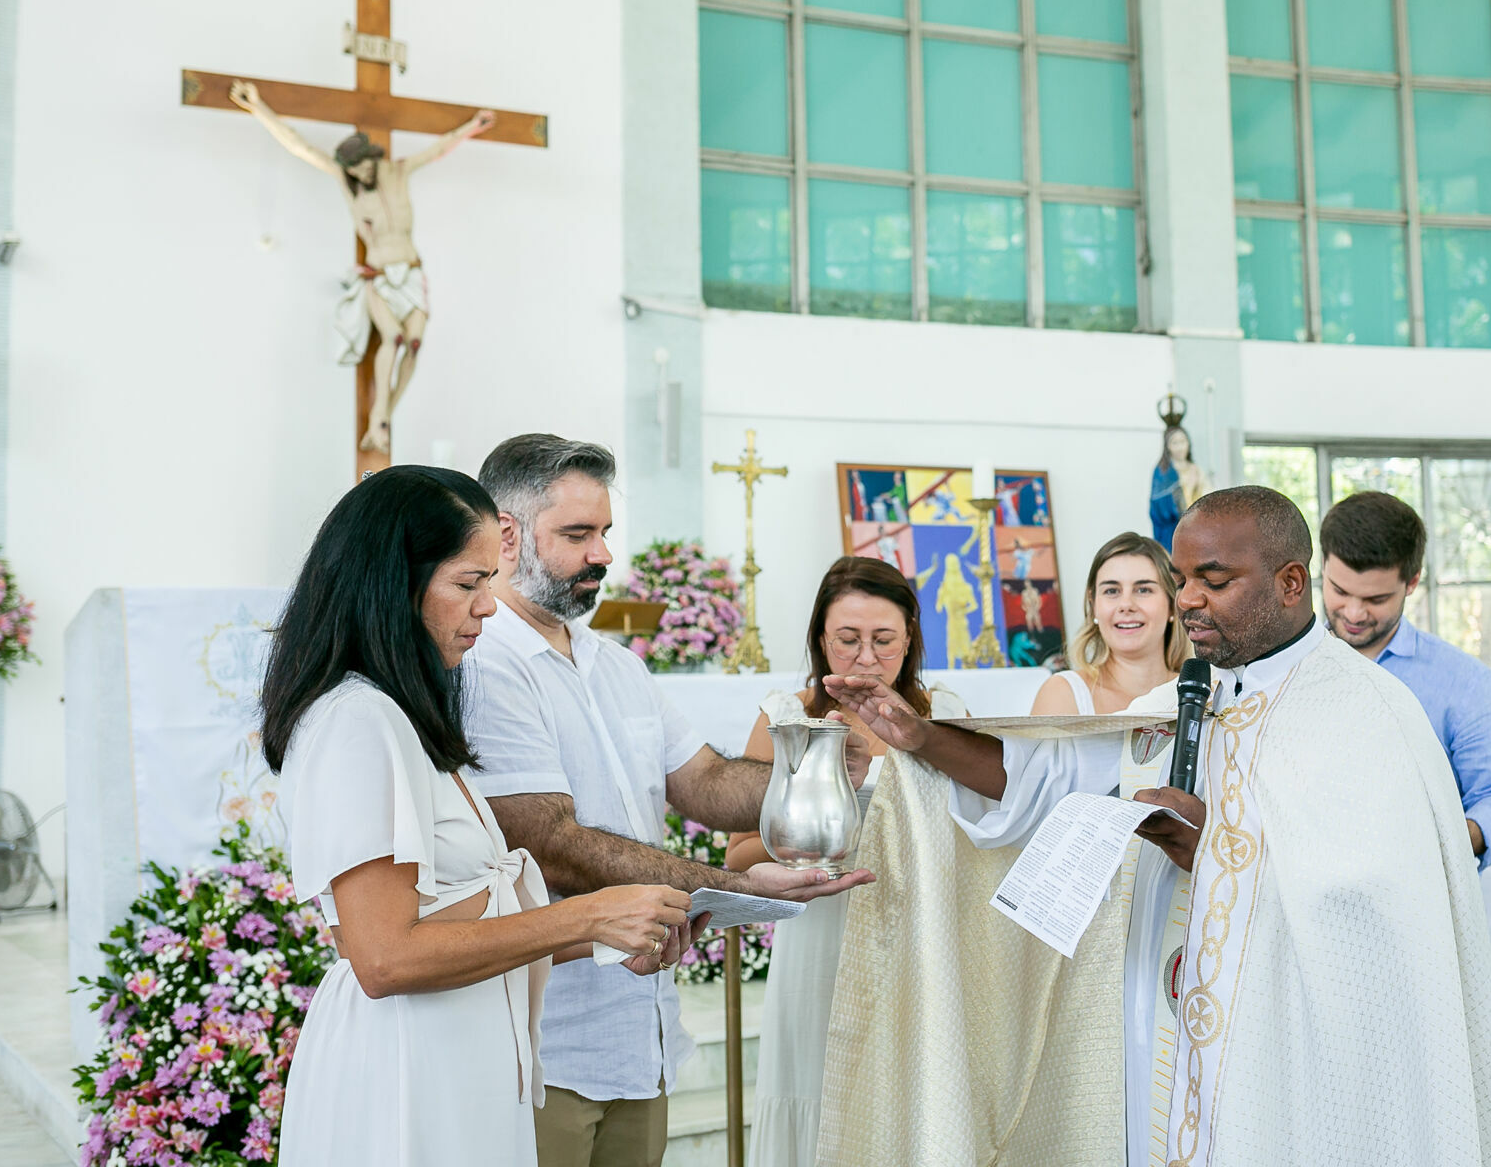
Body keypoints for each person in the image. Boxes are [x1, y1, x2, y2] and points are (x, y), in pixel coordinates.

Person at [827, 487, 1491, 1166]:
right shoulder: (1184, 695)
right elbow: (1040, 778)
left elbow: (1377, 907)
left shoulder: (1367, 711)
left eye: (1213, 581)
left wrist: (1212, 851)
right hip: (1162, 1033)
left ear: (1290, 583)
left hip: (1285, 1054)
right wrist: (922, 738)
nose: (1187, 600)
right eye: (1182, 579)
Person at [459, 435, 872, 1167]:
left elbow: (705, 781)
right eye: (577, 535)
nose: (603, 554)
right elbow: (552, 844)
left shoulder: (615, 664)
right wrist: (734, 887)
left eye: (604, 531)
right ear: (508, 535)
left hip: (639, 1031)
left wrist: (820, 770)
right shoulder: (486, 663)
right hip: (546, 1043)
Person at [262, 466, 691, 1167]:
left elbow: (463, 919)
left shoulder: (401, 716)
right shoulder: (357, 720)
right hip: (408, 1066)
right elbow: (385, 956)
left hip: (459, 1053)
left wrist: (611, 931)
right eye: (468, 583)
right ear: (392, 584)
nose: (488, 607)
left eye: (490, 581)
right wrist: (586, 915)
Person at [724, 557, 969, 1167]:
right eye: (847, 639)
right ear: (819, 639)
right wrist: (819, 806)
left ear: (909, 637)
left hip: (917, 933)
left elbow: (978, 834)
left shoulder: (943, 713)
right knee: (817, 1082)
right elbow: (739, 852)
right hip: (819, 936)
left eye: (883, 640)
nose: (865, 658)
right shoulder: (785, 717)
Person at [227, 81, 493, 453]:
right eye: (354, 169)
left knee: (414, 345)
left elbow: (439, 149)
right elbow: (301, 146)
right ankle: (379, 419)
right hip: (379, 277)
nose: (361, 174)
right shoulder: (348, 184)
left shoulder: (398, 171)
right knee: (393, 339)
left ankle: (383, 419)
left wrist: (472, 127)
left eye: (363, 165)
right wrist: (259, 108)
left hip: (411, 273)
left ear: (373, 158)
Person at [1319, 491, 1491, 867]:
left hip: (1419, 890)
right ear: (1322, 567)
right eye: (1339, 591)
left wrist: (1439, 843)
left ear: (1412, 582)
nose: (1353, 612)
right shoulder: (1285, 667)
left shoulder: (1467, 684)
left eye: (1376, 600)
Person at [1030, 532, 1190, 717]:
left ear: (1172, 604)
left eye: (1143, 590)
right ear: (1093, 605)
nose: (1126, 605)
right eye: (1112, 591)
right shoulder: (1063, 694)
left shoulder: (1206, 695)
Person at [1149, 424, 1212, 549]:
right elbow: (1159, 506)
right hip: (1172, 529)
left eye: (1183, 442)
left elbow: (1207, 496)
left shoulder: (1195, 469)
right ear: (1167, 446)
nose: (1180, 447)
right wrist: (1186, 487)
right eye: (1175, 443)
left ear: (1188, 443)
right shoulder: (1163, 472)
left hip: (1196, 527)